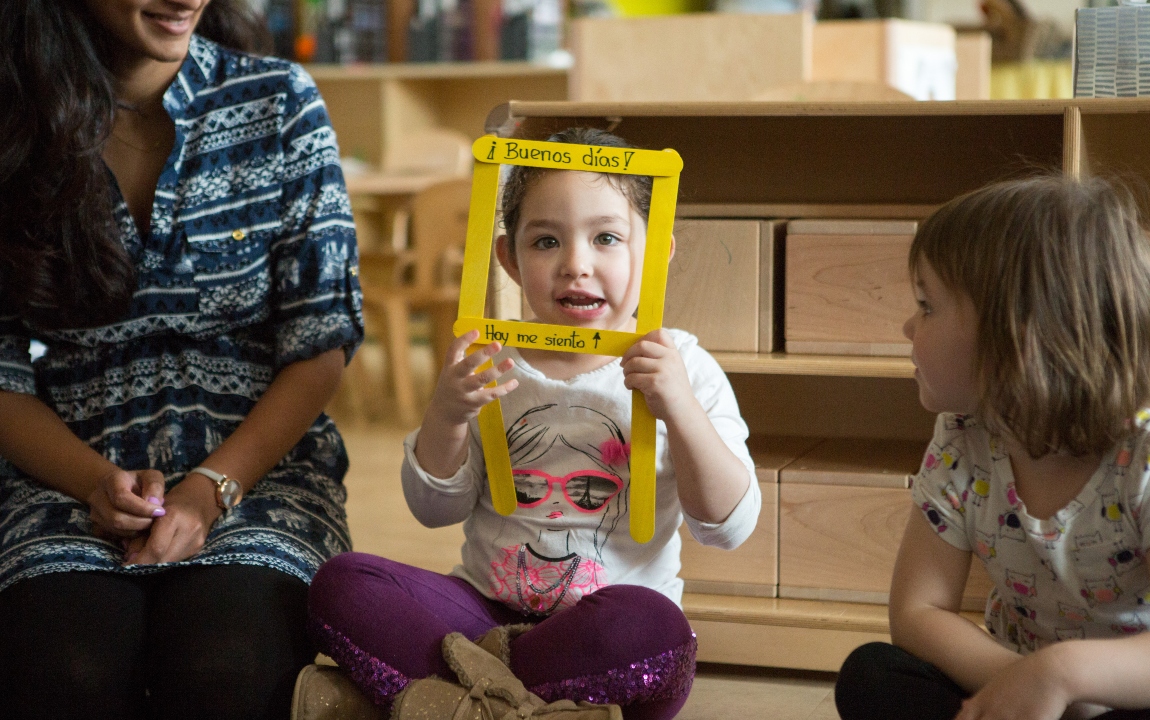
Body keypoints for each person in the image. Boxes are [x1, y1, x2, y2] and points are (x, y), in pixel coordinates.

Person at [307, 127, 761, 719]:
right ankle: (522, 706)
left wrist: (680, 408)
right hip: (484, 618)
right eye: (546, 241)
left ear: (655, 252)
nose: (576, 264)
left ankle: (463, 700)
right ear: (508, 258)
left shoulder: (685, 369)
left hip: (604, 630)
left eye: (606, 238)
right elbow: (434, 508)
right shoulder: (489, 364)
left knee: (654, 628)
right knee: (340, 584)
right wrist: (445, 412)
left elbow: (728, 526)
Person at [0, 1, 362, 718]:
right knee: (64, 667)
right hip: (59, 480)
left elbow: (320, 342)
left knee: (227, 663)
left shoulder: (279, 102)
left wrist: (211, 488)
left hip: (260, 477)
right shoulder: (14, 126)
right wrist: (97, 482)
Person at [834, 175, 1150, 720]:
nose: (909, 325)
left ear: (1019, 334)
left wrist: (1064, 676)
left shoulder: (1141, 452)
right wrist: (1024, 683)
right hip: (1013, 685)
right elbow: (917, 610)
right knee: (873, 674)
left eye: (928, 306)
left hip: (1125, 695)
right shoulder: (964, 434)